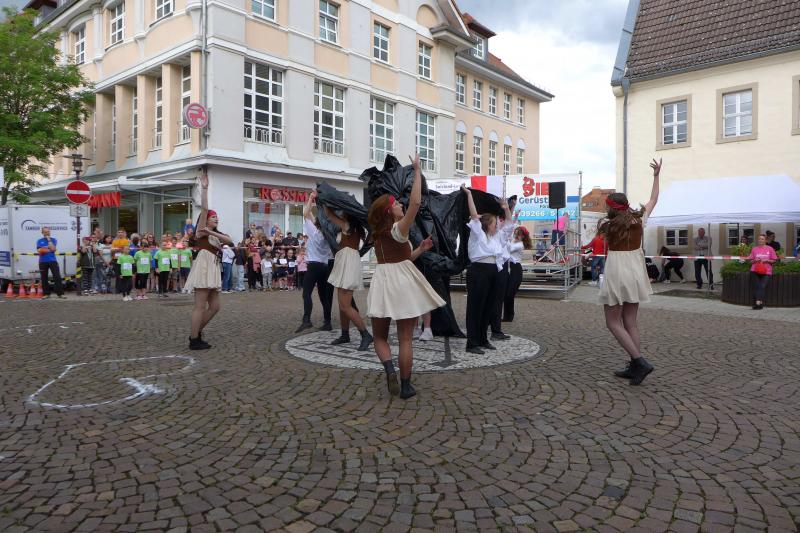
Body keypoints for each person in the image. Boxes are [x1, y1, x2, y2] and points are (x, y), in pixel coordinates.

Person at [366, 154, 444, 398]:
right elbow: (416, 203)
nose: (400, 204)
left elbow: (401, 257)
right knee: (405, 339)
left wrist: (420, 249)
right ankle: (406, 386)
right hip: (402, 283)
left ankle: (389, 369)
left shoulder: (378, 235)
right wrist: (417, 170)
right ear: (389, 211)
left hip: (383, 282)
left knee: (379, 336)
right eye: (396, 204)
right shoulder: (398, 229)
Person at [598, 158, 661, 386]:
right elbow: (654, 199)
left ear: (611, 208)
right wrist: (656, 176)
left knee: (612, 322)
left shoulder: (608, 225)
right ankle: (635, 367)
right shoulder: (638, 219)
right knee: (630, 322)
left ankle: (639, 362)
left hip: (617, 271)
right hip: (635, 272)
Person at [185, 170, 233, 350]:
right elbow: (204, 208)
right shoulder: (200, 231)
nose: (216, 219)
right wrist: (205, 189)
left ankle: (195, 332)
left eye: (216, 217)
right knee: (200, 306)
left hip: (212, 267)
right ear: (206, 220)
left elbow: (229, 240)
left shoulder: (214, 234)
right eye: (214, 217)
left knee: (215, 306)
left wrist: (213, 233)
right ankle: (194, 338)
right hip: (204, 266)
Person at [462, 186, 514, 354]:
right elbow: (473, 215)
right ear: (487, 224)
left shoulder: (496, 237)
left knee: (488, 306)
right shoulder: (477, 234)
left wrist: (506, 209)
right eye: (494, 223)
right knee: (475, 307)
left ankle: (483, 339)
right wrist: (469, 195)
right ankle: (472, 343)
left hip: (493, 271)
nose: (497, 225)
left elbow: (509, 226)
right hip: (479, 271)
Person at [324, 206, 373, 351]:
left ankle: (365, 334)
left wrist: (325, 202)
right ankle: (345, 334)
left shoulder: (346, 225)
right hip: (347, 262)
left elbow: (329, 214)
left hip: (347, 263)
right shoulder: (355, 228)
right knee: (343, 305)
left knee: (345, 305)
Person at [297, 191, 334, 332]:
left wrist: (311, 198)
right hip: (325, 267)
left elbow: (306, 213)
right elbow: (311, 218)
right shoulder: (328, 234)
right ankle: (327, 322)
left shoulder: (314, 232)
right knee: (324, 296)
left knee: (306, 293)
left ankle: (306, 320)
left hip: (313, 266)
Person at [503, 224, 533, 321]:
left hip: (516, 269)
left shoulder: (520, 245)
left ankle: (509, 316)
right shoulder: (515, 242)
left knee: (509, 294)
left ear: (523, 236)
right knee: (507, 294)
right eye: (515, 234)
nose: (516, 236)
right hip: (510, 268)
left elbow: (509, 249)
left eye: (518, 235)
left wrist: (508, 239)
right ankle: (507, 316)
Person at [747, 234, 778, 310]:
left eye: (762, 239)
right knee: (757, 287)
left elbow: (774, 260)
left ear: (765, 240)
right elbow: (750, 261)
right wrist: (755, 260)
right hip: (754, 270)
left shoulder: (770, 249)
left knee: (762, 286)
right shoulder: (754, 249)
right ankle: (760, 304)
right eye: (759, 239)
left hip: (766, 271)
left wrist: (767, 260)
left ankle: (757, 303)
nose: (760, 240)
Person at [36, 227, 65, 299]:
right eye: (45, 232)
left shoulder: (53, 240)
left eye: (48, 231)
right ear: (42, 233)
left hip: (53, 260)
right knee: (44, 278)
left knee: (57, 277)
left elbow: (53, 249)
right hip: (42, 261)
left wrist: (48, 241)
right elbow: (39, 251)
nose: (47, 233)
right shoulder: (39, 241)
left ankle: (60, 294)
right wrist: (48, 249)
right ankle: (46, 294)